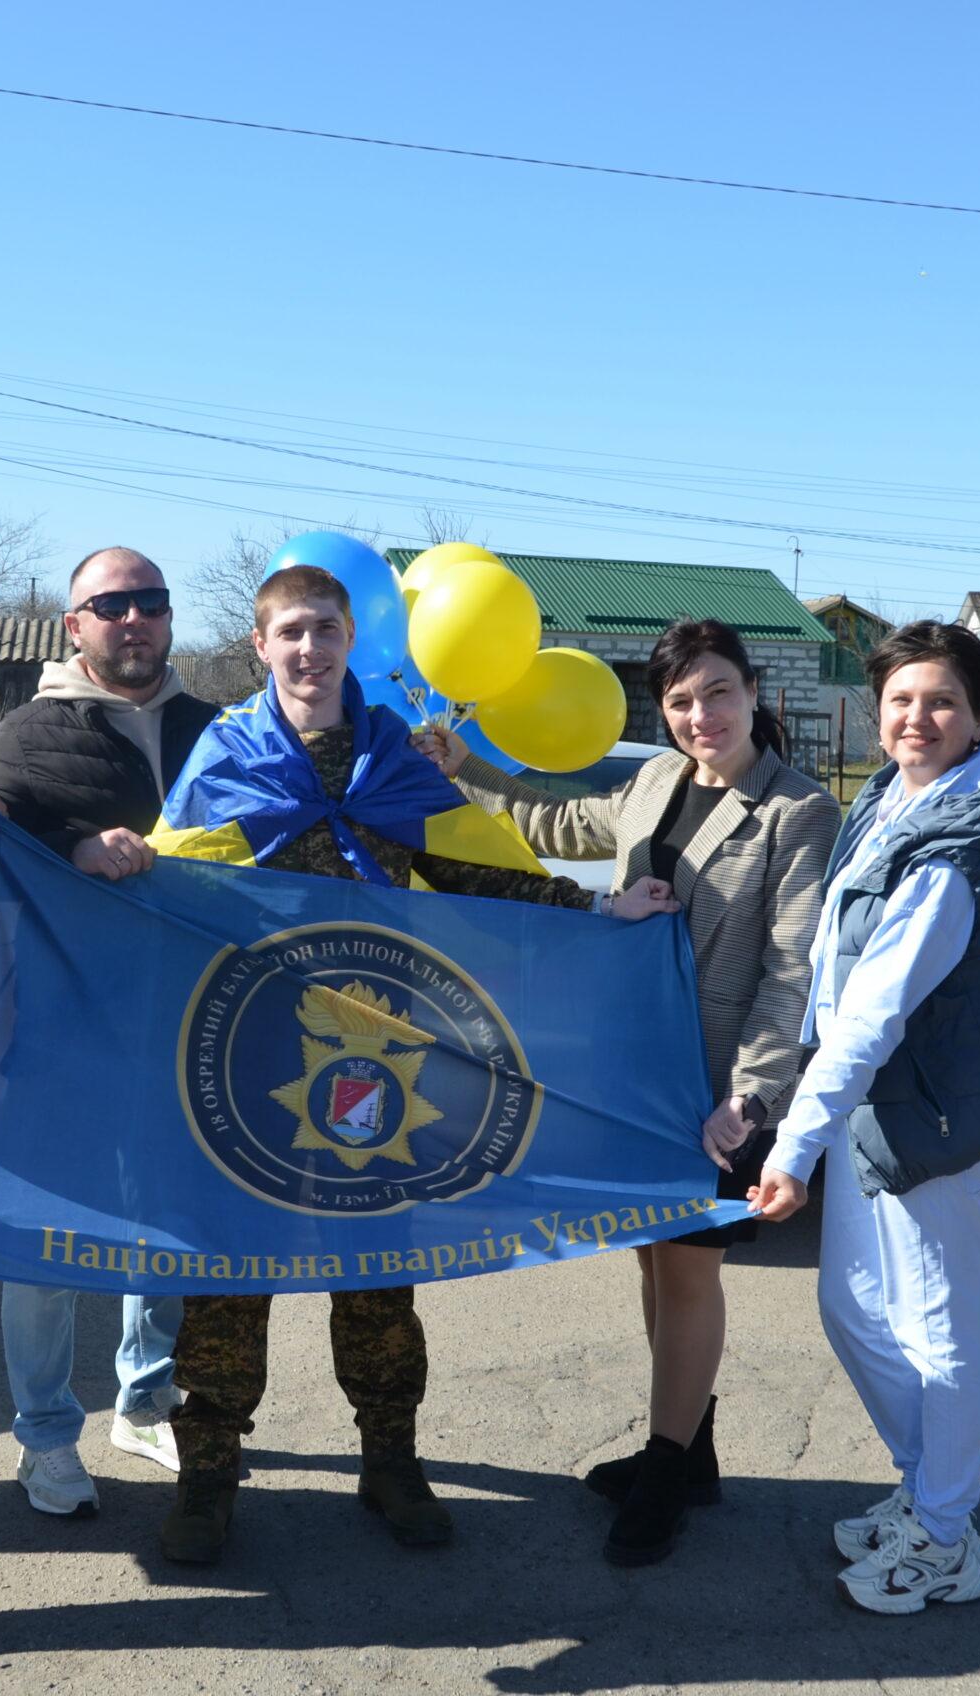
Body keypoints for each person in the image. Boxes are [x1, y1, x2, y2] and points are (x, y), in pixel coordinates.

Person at [144, 563, 651, 1567]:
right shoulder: (228, 753)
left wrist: (597, 907)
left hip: (380, 1064)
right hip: (247, 1054)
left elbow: (481, 873)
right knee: (228, 1268)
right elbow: (167, 882)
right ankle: (207, 1476)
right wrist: (105, 866)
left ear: (347, 640)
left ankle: (391, 1461)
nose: (308, 647)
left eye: (324, 628)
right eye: (288, 630)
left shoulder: (393, 757)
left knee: (376, 1271)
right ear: (260, 644)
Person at [418, 617, 838, 1566]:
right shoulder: (657, 780)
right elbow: (559, 822)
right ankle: (690, 1451)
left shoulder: (798, 810)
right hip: (638, 1071)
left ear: (754, 692)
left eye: (718, 692)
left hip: (718, 1086)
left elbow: (791, 967)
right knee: (653, 1262)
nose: (701, 715)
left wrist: (755, 1094)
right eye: (682, 701)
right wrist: (466, 772)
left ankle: (663, 1471)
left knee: (689, 1271)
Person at [750, 620, 980, 1613]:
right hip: (879, 1104)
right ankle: (930, 1492)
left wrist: (792, 1143)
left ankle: (941, 1535)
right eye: (898, 699)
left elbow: (872, 1010)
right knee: (851, 1308)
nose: (915, 718)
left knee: (939, 1331)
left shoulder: (957, 851)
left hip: (936, 1112)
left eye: (939, 701)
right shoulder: (898, 801)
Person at [0, 546, 218, 1514]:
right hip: (59, 1029)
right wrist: (72, 850)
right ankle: (42, 1436)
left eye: (150, 601)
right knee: (48, 1241)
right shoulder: (29, 733)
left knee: (165, 1223)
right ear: (72, 625)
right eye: (109, 603)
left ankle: (144, 1398)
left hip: (187, 1023)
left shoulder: (217, 730)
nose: (133, 617)